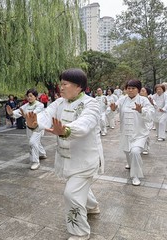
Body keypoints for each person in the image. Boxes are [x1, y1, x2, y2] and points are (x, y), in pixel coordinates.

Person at [25, 68, 104, 240]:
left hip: (85, 159)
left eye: (64, 84)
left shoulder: (91, 103)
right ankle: (93, 207)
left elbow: (85, 123)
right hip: (66, 159)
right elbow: (45, 116)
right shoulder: (59, 103)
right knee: (78, 186)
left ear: (79, 86)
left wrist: (66, 130)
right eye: (60, 84)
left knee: (72, 193)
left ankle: (80, 233)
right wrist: (34, 123)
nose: (61, 88)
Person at [110, 79, 154, 186]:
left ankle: (135, 176)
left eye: (133, 88)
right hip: (126, 133)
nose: (130, 90)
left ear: (138, 89)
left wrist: (141, 111)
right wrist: (113, 109)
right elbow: (114, 109)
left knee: (134, 152)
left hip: (139, 133)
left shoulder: (143, 100)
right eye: (128, 88)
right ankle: (130, 164)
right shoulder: (122, 100)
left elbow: (151, 114)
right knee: (127, 152)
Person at [6, 88, 47, 170]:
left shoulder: (40, 105)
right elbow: (19, 111)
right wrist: (11, 113)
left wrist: (25, 115)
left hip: (38, 127)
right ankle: (42, 154)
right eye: (28, 96)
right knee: (34, 142)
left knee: (32, 142)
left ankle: (35, 162)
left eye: (31, 96)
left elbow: (34, 113)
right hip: (29, 126)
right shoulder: (26, 105)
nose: (29, 98)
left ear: (35, 97)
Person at [139, 87, 154, 154]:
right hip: (140, 119)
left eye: (143, 91)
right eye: (140, 91)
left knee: (146, 134)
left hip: (148, 120)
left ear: (147, 92)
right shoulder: (138, 99)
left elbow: (154, 109)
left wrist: (152, 103)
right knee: (140, 134)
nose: (141, 92)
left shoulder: (150, 99)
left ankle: (146, 148)